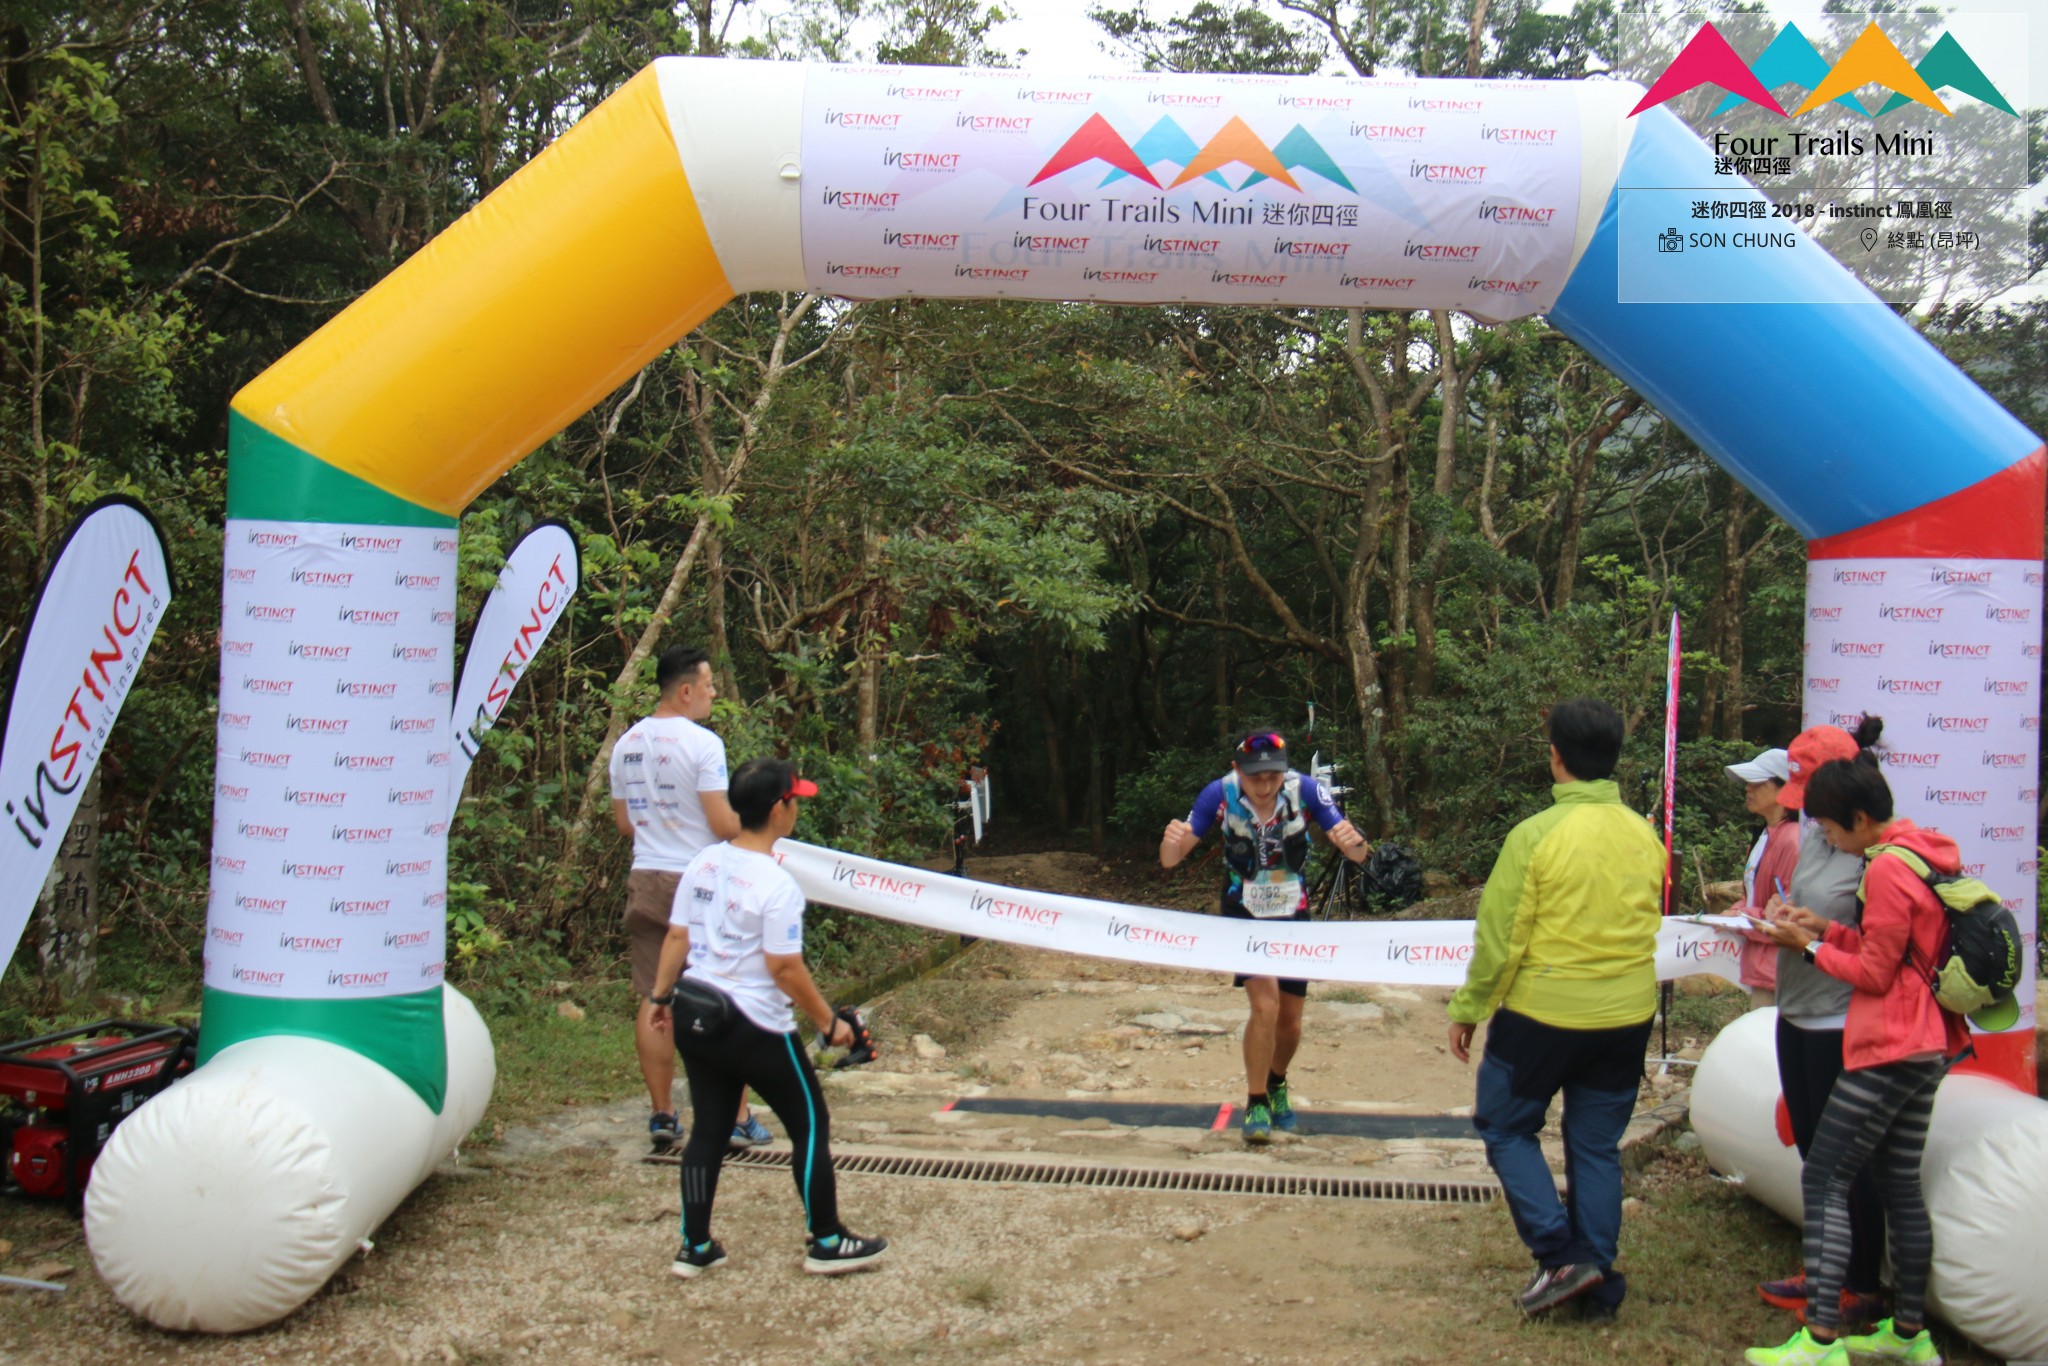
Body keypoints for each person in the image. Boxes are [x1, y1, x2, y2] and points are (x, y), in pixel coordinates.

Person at [1746, 718, 1962, 1366]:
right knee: (1899, 1183)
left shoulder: (1887, 868)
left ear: (1860, 818)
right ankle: (1909, 1335)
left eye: (1833, 830)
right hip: (1929, 1044)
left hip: (1889, 1044)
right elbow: (1889, 949)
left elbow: (1875, 974)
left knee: (1825, 1179)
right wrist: (1823, 928)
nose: (1827, 840)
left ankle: (1820, 1342)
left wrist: (1808, 945)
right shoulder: (1924, 849)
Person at [1446, 698, 1664, 1322]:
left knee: (1504, 1125)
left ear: (1555, 756)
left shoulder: (1535, 836)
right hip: (1627, 1014)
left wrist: (1470, 1006)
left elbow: (1501, 937)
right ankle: (1597, 1283)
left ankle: (1560, 1255)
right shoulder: (1646, 835)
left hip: (1544, 1015)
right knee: (1596, 1145)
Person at [648, 758, 888, 1280]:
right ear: (779, 808)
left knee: (709, 1131)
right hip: (754, 1024)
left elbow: (677, 935)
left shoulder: (704, 862)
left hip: (696, 1012)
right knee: (809, 1123)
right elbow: (783, 968)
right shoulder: (777, 884)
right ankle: (827, 1240)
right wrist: (829, 1023)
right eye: (795, 800)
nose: (797, 807)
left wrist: (660, 997)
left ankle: (694, 1245)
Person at [1159, 728, 1369, 1144]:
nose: (1265, 785)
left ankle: (1277, 1081)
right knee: (1265, 1005)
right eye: (1255, 776)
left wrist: (1354, 842)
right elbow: (1170, 860)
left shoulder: (1306, 790)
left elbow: (1358, 852)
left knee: (1290, 1020)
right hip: (1244, 914)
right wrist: (1171, 843)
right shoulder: (1218, 794)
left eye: (1273, 775)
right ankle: (1255, 1100)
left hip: (1293, 913)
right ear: (1238, 770)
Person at [1749, 724, 1887, 1333]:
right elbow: (1815, 910)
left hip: (1840, 1018)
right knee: (1813, 1151)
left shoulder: (1875, 855)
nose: (1808, 814)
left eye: (1814, 802)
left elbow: (1875, 950)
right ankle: (1827, 1268)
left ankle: (1861, 1285)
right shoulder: (1814, 832)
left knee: (1848, 1162)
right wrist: (1786, 916)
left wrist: (1809, 940)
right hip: (1797, 1010)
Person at [609, 645, 765, 1154]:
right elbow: (721, 823)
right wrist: (760, 827)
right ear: (684, 691)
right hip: (701, 882)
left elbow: (625, 824)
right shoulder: (704, 745)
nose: (713, 693)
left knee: (656, 995)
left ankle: (662, 1114)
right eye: (708, 684)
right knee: (725, 994)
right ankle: (737, 1118)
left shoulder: (626, 744)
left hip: (647, 877)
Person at [1726, 748, 1799, 1008]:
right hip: (1763, 968)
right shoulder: (1765, 835)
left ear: (1785, 789)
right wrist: (1734, 911)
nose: (1748, 788)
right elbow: (1754, 896)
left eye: (1757, 782)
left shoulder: (1792, 840)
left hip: (1779, 973)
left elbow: (1787, 914)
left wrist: (1739, 916)